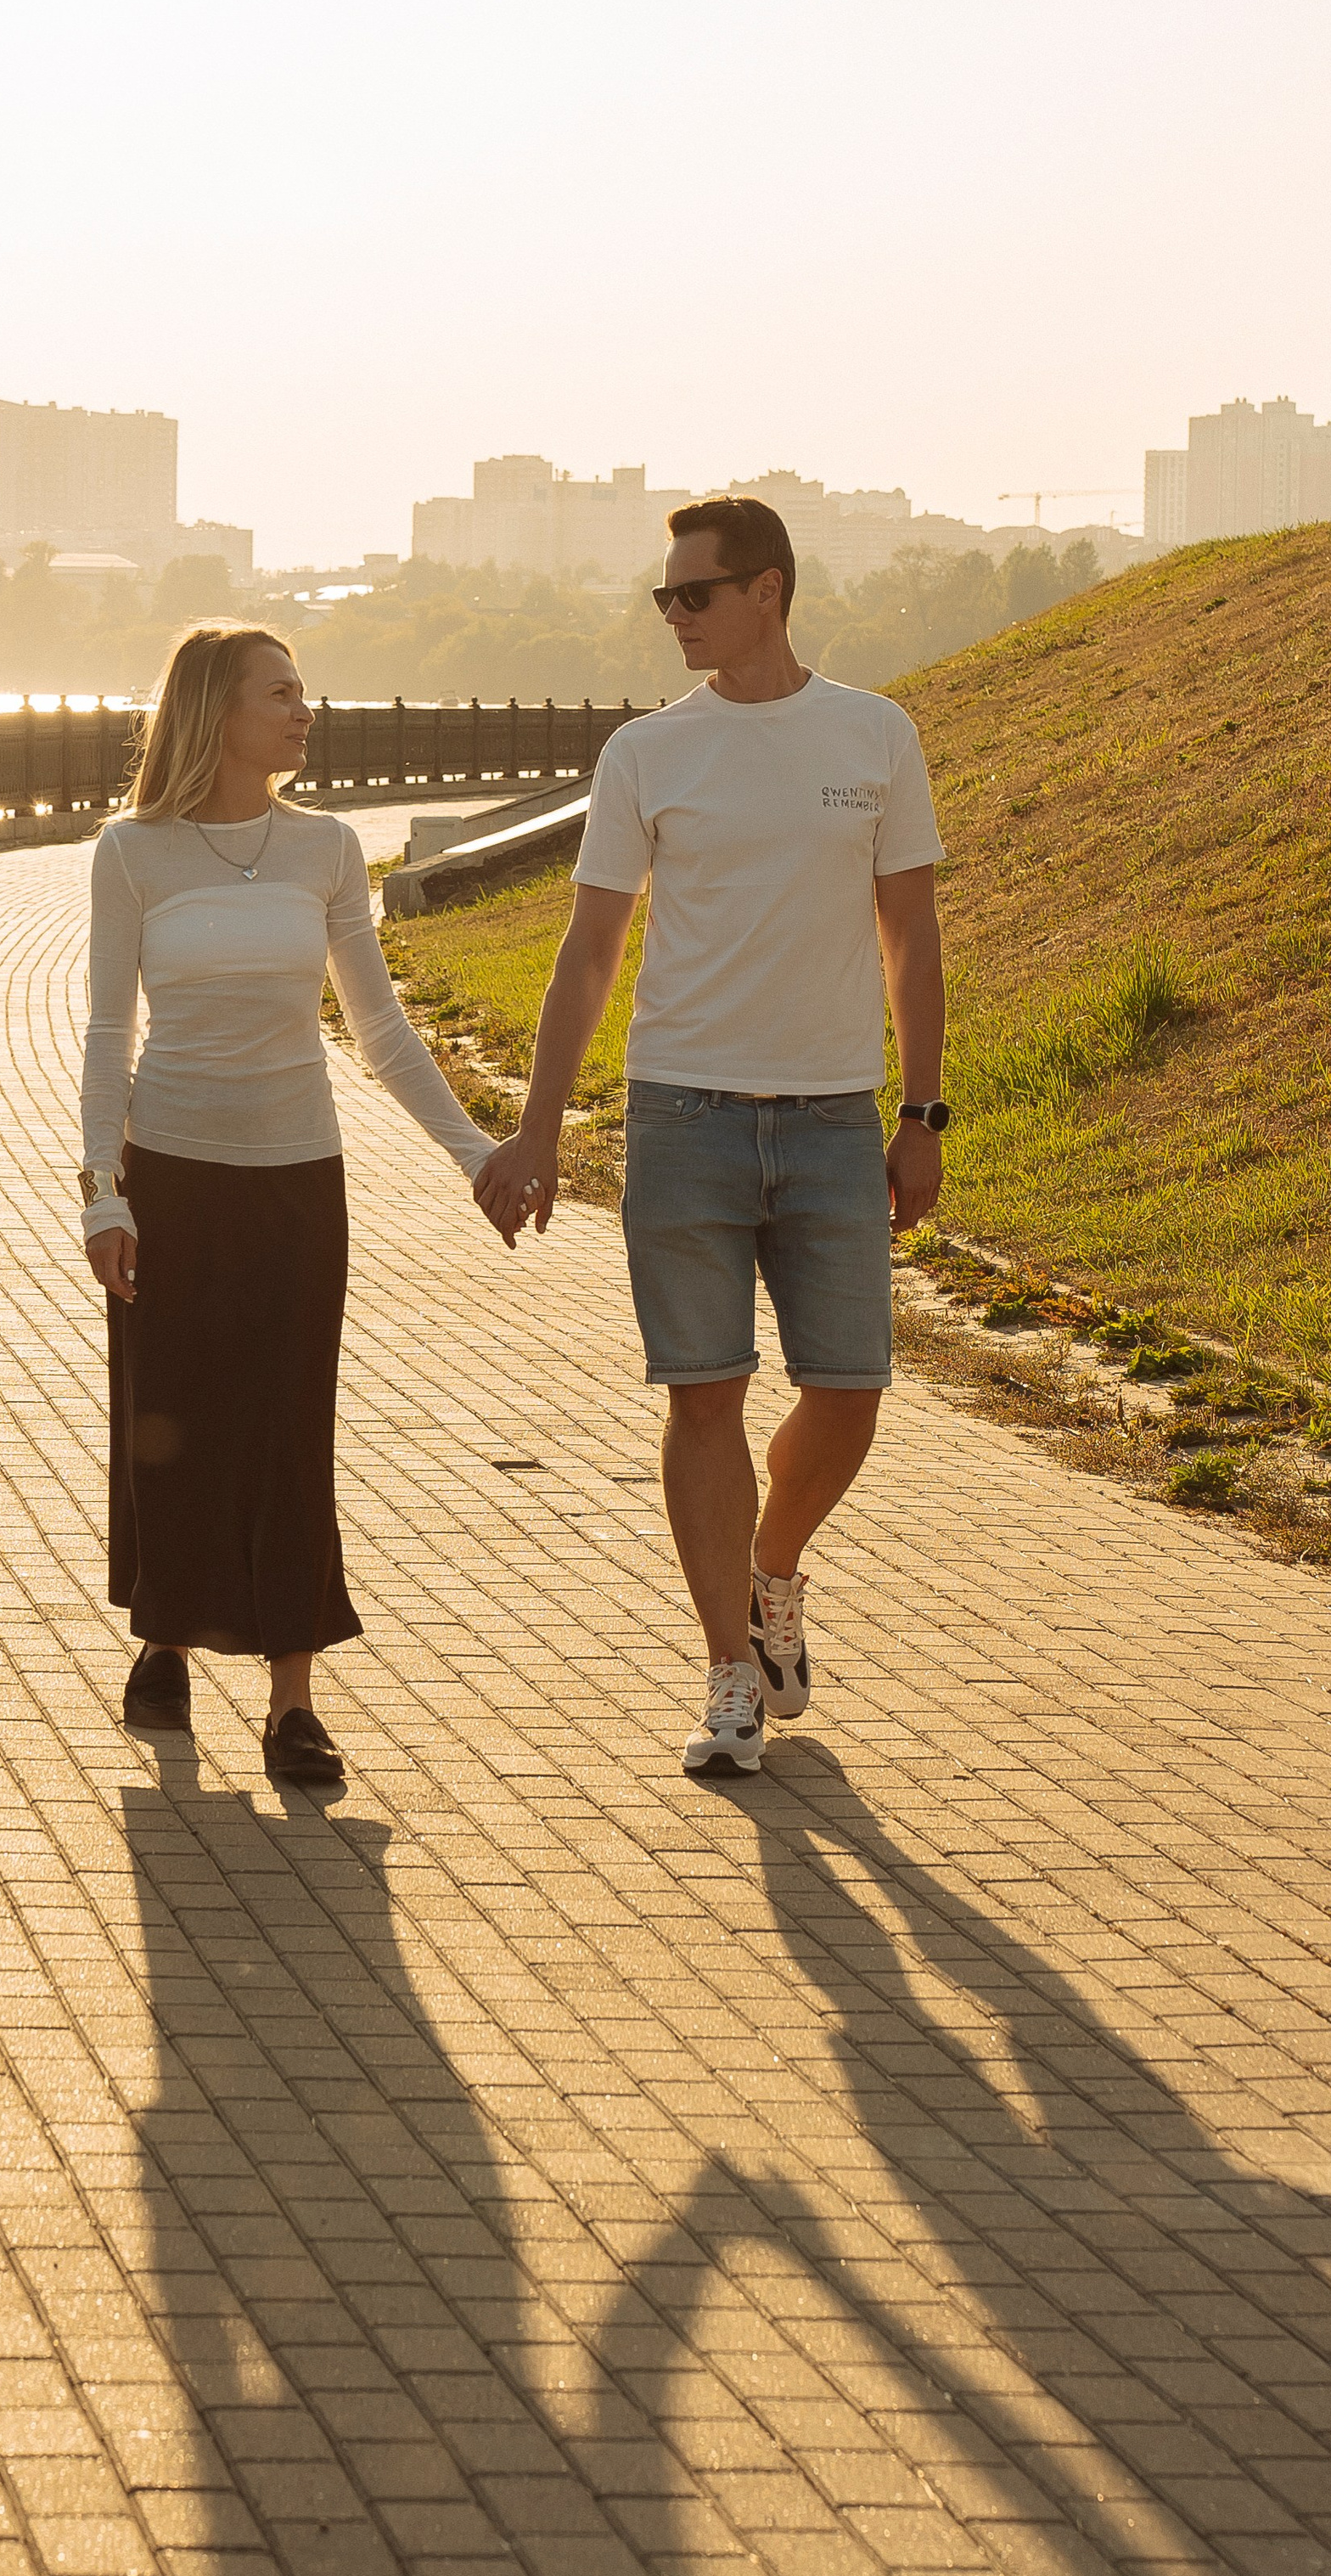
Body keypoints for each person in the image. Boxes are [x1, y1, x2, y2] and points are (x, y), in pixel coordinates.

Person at [475, 495, 948, 1780]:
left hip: (836, 1120)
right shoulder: (646, 755)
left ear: (769, 593)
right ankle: (729, 1669)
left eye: (695, 594)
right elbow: (587, 954)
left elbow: (911, 935)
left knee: (849, 1392)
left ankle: (772, 1571)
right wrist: (537, 1131)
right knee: (704, 1392)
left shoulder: (873, 734)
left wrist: (921, 1113)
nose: (674, 616)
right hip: (681, 1113)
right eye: (665, 598)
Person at [81, 621, 500, 1785]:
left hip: (296, 1184)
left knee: (286, 1428)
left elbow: (379, 1030)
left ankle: (291, 1700)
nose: (304, 711)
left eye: (305, 691)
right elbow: (109, 1031)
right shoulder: (132, 852)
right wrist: (101, 1195)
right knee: (173, 1425)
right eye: (283, 693)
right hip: (170, 1175)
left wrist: (474, 1152)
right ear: (219, 712)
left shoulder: (326, 849)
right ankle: (165, 1636)